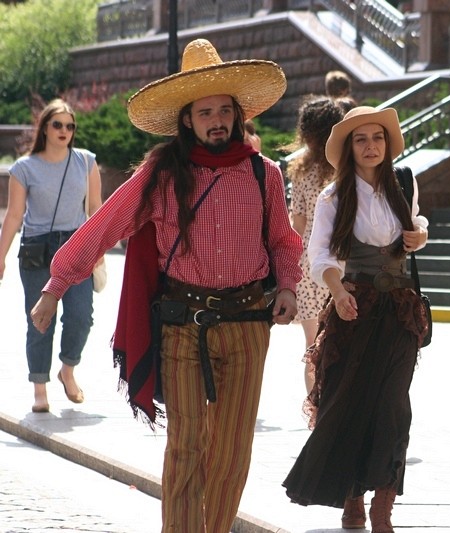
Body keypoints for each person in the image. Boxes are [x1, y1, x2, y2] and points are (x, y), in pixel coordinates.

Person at [29, 39, 303, 533]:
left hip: (248, 326)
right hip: (182, 326)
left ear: (238, 115)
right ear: (187, 120)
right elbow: (106, 223)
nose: (217, 121)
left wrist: (286, 287)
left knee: (232, 452)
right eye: (205, 112)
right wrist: (56, 285)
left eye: (224, 111)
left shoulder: (265, 174)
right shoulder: (161, 173)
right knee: (186, 447)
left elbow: (283, 241)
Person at [283, 106, 430, 533]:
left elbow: (418, 223)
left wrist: (419, 235)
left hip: (400, 312)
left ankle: (383, 509)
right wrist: (338, 291)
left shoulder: (404, 182)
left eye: (377, 138)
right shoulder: (334, 196)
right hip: (355, 308)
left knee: (393, 408)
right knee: (349, 403)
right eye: (361, 140)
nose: (370, 146)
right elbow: (320, 256)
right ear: (349, 149)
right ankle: (352, 500)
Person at [0, 98, 102, 413]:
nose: (64, 130)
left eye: (70, 126)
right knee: (40, 320)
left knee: (81, 316)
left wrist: (99, 248)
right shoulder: (24, 168)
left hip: (77, 246)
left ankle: (67, 370)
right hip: (37, 249)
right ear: (45, 128)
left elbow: (96, 209)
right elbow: (14, 216)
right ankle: (39, 388)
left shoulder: (86, 161)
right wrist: (1, 256)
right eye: (57, 124)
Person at [283, 96, 347, 393]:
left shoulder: (299, 170)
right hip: (343, 258)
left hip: (310, 262)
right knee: (343, 340)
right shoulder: (347, 168)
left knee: (312, 344)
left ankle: (315, 409)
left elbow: (297, 224)